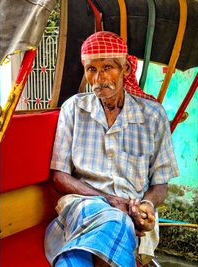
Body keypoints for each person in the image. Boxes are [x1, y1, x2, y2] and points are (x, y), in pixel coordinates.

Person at [45, 31, 179, 267]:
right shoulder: (74, 109)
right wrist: (109, 200)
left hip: (134, 212)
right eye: (91, 69)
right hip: (82, 204)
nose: (98, 78)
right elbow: (60, 176)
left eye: (108, 67)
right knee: (117, 222)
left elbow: (160, 184)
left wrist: (146, 206)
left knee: (119, 225)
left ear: (126, 69)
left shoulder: (152, 115)